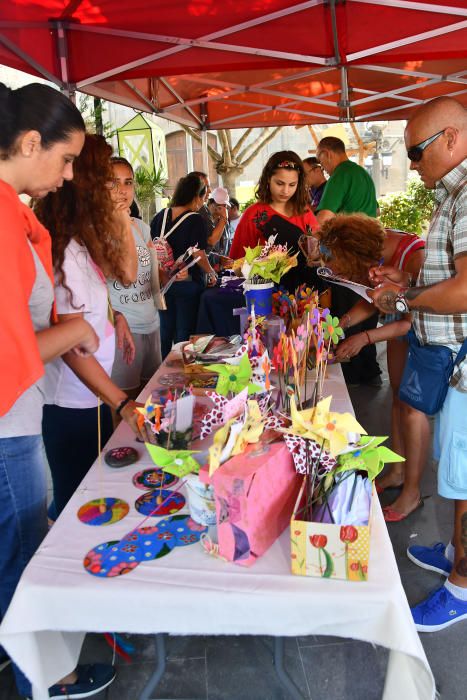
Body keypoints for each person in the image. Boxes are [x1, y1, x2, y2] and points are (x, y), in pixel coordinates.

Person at [0, 82, 115, 699]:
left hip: (20, 415)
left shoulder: (14, 216)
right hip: (8, 425)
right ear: (28, 142)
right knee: (22, 556)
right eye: (66, 159)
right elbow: (9, 345)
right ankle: (48, 679)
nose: (69, 176)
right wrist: (72, 328)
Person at [369, 96, 467, 632]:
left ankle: (462, 586)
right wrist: (408, 287)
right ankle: (458, 554)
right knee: (458, 477)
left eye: (415, 151)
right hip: (454, 364)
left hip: (464, 368)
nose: (410, 163)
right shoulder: (452, 196)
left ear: (451, 139)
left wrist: (406, 299)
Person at [35, 134, 145, 519]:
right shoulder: (64, 250)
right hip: (71, 399)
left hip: (92, 393)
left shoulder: (81, 240)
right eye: (106, 181)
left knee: (88, 489)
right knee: (75, 501)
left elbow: (127, 276)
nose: (115, 190)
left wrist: (115, 316)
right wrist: (123, 401)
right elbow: (72, 343)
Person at [319, 214, 428, 521]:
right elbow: (372, 299)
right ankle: (397, 471)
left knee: (413, 408)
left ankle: (413, 492)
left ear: (357, 254)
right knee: (398, 398)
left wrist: (364, 338)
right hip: (398, 327)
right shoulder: (376, 251)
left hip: (422, 334)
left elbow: (410, 321)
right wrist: (341, 325)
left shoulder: (413, 256)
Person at [315, 136, 381, 387]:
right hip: (366, 252)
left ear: (328, 153)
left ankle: (351, 374)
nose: (323, 167)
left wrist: (313, 245)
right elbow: (375, 212)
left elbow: (323, 218)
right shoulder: (362, 174)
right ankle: (368, 369)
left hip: (348, 255)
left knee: (346, 309)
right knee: (367, 301)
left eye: (321, 160)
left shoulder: (340, 175)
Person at [107, 157, 162, 397]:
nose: (122, 190)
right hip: (123, 328)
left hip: (152, 323)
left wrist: (175, 271)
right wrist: (120, 223)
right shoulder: (97, 230)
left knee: (150, 399)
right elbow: (124, 276)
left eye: (128, 182)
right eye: (113, 182)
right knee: (125, 403)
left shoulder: (141, 226)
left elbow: (152, 276)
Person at [229, 151, 318, 291]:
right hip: (265, 293)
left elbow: (318, 255)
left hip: (305, 295)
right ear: (268, 179)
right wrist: (263, 265)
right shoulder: (253, 215)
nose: (286, 191)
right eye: (280, 183)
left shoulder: (304, 212)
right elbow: (237, 265)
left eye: (292, 185)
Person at [151, 173, 217, 358]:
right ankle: (180, 369)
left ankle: (164, 370)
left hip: (162, 283)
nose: (203, 202)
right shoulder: (195, 219)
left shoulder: (159, 216)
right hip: (187, 284)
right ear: (197, 196)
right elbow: (198, 253)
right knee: (183, 333)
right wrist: (211, 272)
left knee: (165, 331)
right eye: (203, 197)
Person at [188, 170, 227, 248]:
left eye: (225, 205)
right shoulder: (201, 209)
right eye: (205, 187)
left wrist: (217, 258)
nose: (209, 190)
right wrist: (224, 218)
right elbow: (210, 241)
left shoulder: (202, 208)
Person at [207, 186, 233, 255]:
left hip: (223, 264)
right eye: (220, 206)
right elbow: (210, 242)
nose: (224, 209)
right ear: (211, 203)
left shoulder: (224, 221)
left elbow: (228, 243)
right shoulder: (204, 220)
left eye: (225, 206)